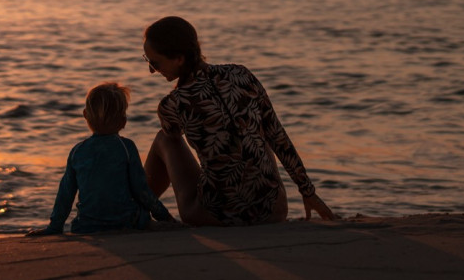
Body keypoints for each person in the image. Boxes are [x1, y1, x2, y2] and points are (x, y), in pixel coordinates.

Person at [142, 16, 337, 226]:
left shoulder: (172, 104)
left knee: (164, 139)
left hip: (216, 216)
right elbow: (277, 136)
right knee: (254, 129)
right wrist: (308, 192)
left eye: (154, 63)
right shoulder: (242, 74)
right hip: (273, 211)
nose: (152, 70)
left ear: (179, 59)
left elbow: (174, 134)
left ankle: (135, 208)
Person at [29, 82, 176, 235]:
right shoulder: (126, 147)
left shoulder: (77, 151)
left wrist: (55, 227)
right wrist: (165, 217)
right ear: (123, 121)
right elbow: (141, 190)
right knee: (139, 212)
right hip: (127, 223)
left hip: (86, 226)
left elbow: (65, 194)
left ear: (85, 115)